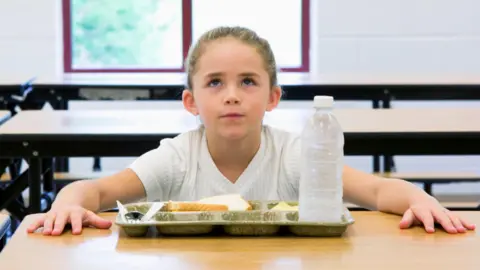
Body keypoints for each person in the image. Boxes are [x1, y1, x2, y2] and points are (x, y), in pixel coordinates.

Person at [27, 26, 475, 236]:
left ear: (273, 97)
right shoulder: (178, 156)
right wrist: (67, 203)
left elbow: (376, 192)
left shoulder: (295, 155)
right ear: (191, 102)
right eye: (215, 83)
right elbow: (95, 190)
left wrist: (420, 198)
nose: (232, 96)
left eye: (248, 82)